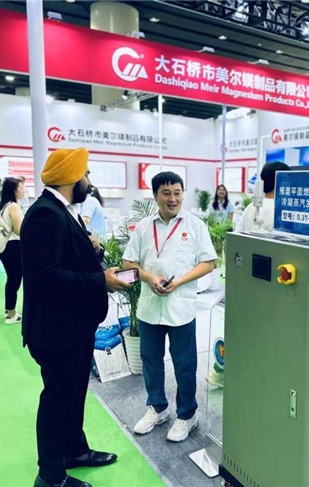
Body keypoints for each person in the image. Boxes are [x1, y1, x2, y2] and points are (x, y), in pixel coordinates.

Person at [20, 147, 131, 487]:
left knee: (73, 393)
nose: (88, 180)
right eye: (85, 174)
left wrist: (94, 249)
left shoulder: (63, 211)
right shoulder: (46, 214)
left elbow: (66, 259)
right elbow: (44, 277)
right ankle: (50, 475)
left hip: (73, 325)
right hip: (56, 330)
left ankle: (74, 451)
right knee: (57, 399)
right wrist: (101, 281)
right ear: (71, 177)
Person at [122, 171, 217, 443]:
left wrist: (179, 282)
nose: (172, 199)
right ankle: (157, 408)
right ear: (155, 196)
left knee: (185, 364)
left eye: (177, 193)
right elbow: (129, 264)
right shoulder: (143, 227)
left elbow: (208, 263)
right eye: (166, 193)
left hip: (181, 308)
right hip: (150, 307)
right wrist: (150, 278)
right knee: (151, 361)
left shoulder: (195, 226)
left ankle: (187, 415)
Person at [0, 177, 26, 324]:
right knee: (14, 280)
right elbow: (19, 229)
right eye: (21, 188)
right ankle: (11, 313)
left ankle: (9, 310)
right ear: (14, 190)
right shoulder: (14, 206)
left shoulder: (4, 206)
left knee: (12, 279)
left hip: (6, 247)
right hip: (13, 246)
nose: (23, 190)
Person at [235, 162, 290, 233]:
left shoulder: (251, 206)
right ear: (282, 181)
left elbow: (238, 232)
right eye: (288, 179)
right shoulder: (279, 210)